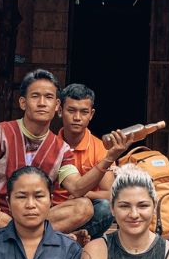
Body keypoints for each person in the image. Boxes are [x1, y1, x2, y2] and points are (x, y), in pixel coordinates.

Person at [0, 69, 101, 236]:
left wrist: (110, 158)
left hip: (36, 216)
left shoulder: (61, 149)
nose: (42, 103)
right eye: (35, 96)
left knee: (84, 207)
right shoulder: (0, 132)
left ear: (56, 106)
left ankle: (17, 235)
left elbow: (77, 188)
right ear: (23, 103)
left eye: (48, 97)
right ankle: (39, 236)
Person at [55, 83, 131, 238]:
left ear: (91, 114)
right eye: (71, 110)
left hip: (84, 213)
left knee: (104, 209)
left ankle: (67, 238)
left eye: (84, 112)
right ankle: (67, 239)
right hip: (55, 213)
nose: (77, 118)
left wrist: (85, 194)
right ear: (60, 111)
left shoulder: (100, 148)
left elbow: (110, 194)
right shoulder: (50, 145)